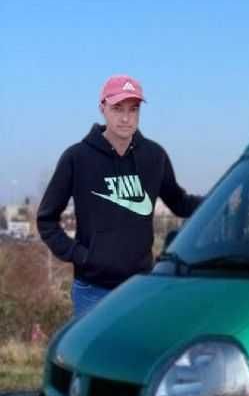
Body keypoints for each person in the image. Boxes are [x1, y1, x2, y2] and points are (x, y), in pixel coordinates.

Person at [37, 75, 202, 318]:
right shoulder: (77, 158)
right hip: (92, 290)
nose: (126, 118)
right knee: (92, 345)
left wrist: (221, 200)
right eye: (117, 108)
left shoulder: (154, 156)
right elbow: (46, 220)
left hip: (139, 287)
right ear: (102, 108)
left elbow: (179, 202)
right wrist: (81, 255)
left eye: (133, 109)